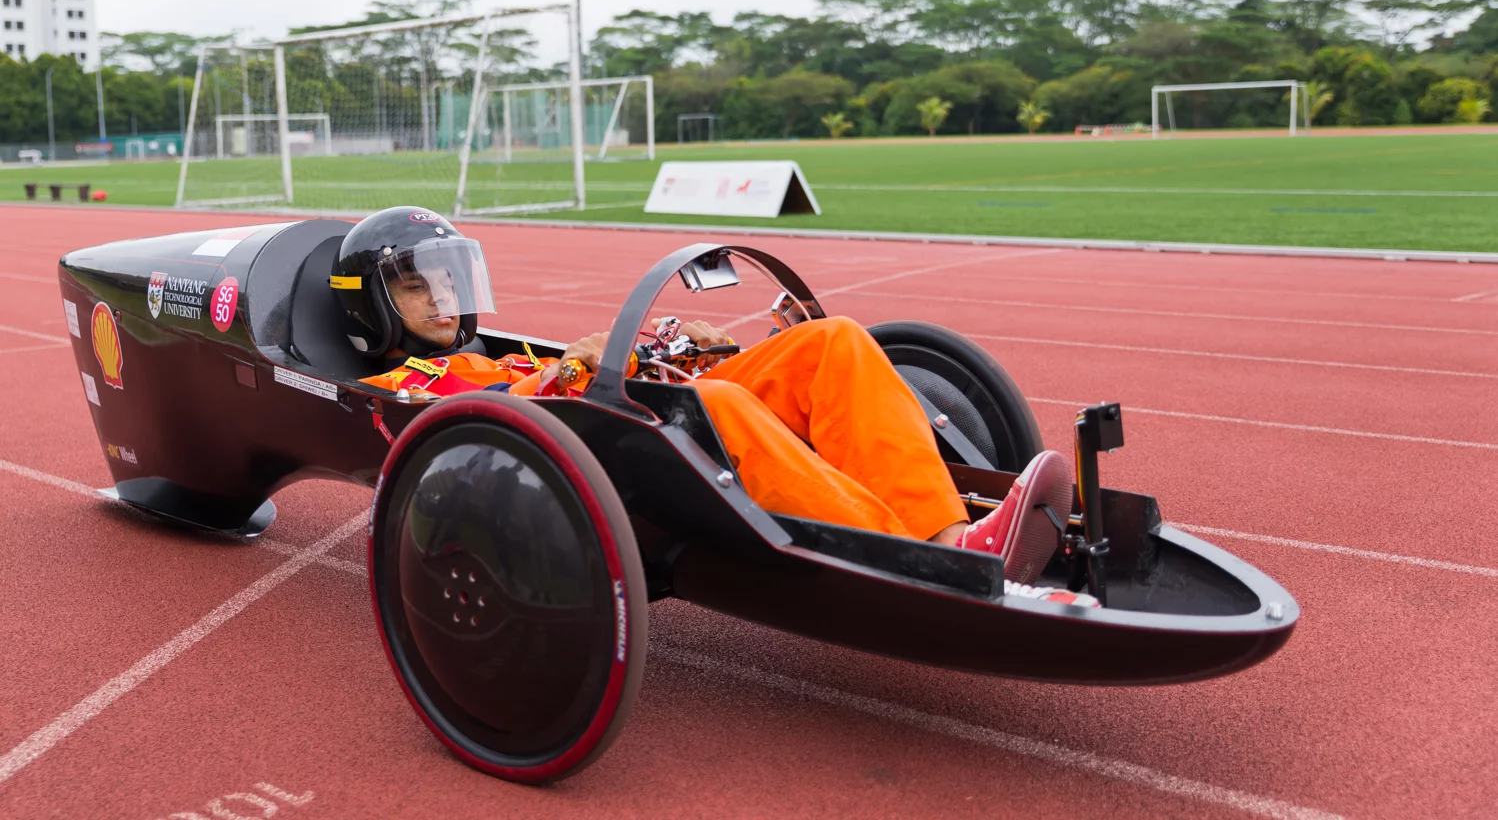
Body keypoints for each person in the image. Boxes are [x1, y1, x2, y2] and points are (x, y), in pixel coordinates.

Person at [333, 206, 1094, 605]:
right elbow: (487, 421)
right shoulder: (409, 386)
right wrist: (579, 363)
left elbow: (588, 370)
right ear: (371, 300)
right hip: (616, 450)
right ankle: (934, 558)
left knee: (832, 340)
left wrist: (669, 341)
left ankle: (951, 532)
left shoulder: (491, 349)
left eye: (447, 278)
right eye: (413, 284)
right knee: (720, 404)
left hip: (636, 410)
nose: (441, 298)